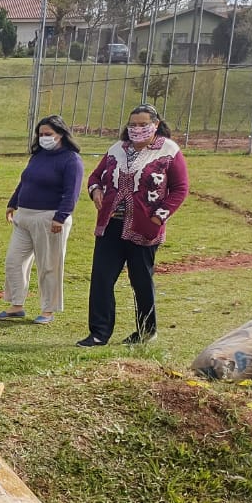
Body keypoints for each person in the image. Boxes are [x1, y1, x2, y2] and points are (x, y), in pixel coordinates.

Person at [77, 104, 190, 348]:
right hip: (111, 225)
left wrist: (159, 217)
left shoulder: (169, 151)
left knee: (140, 281)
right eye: (133, 124)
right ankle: (99, 332)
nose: (137, 129)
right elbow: (95, 176)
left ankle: (146, 331)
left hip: (144, 227)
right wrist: (95, 190)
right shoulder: (117, 149)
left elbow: (180, 189)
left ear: (156, 125)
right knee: (102, 280)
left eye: (143, 124)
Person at [0, 115, 83, 326]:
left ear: (61, 134)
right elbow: (25, 181)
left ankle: (48, 309)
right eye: (41, 134)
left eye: (48, 134)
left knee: (49, 265)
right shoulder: (38, 156)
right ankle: (16, 305)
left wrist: (61, 217)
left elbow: (72, 192)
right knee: (14, 261)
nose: (44, 138)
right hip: (24, 216)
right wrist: (13, 202)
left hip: (49, 218)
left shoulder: (71, 159)